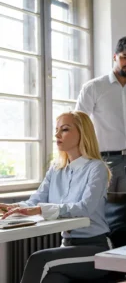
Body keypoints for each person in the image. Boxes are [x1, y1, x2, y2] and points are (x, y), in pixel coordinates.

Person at [0, 111, 111, 283]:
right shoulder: (56, 169)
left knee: (39, 260)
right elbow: (35, 201)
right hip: (67, 246)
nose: (57, 135)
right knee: (52, 279)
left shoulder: (97, 168)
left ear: (83, 133)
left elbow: (85, 208)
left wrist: (39, 209)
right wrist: (14, 207)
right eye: (57, 129)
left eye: (65, 129)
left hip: (96, 249)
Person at [76, 36, 126, 192]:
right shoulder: (93, 87)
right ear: (115, 57)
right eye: (125, 57)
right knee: (101, 211)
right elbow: (79, 124)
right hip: (100, 160)